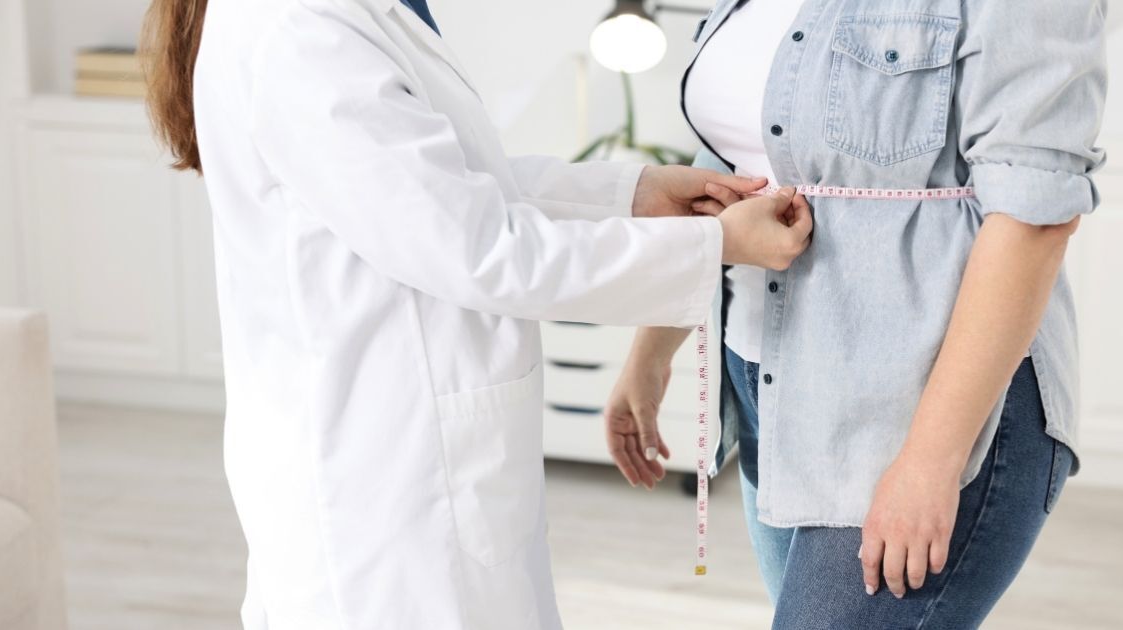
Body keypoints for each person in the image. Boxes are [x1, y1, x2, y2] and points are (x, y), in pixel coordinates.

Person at [139, 0, 815, 627]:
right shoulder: (297, 30)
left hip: (411, 458)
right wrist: (714, 244)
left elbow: (451, 182)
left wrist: (633, 192)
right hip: (380, 481)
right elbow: (481, 248)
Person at [605, 0, 1107, 627]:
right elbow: (729, 171)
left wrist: (929, 463)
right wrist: (651, 352)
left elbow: (1035, 218)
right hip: (770, 385)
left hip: (925, 405)